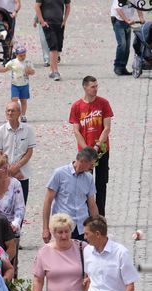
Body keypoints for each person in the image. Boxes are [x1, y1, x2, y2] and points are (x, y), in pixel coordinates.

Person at [32, 213, 86, 291]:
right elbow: (38, 281)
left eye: (67, 231)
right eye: (60, 232)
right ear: (53, 233)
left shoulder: (82, 248)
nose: (64, 236)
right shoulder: (44, 252)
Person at [69, 75, 113, 216]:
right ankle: (85, 213)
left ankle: (100, 215)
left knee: (101, 183)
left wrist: (97, 146)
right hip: (85, 154)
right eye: (92, 86)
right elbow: (76, 130)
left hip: (101, 151)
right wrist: (87, 149)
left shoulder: (103, 103)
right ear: (85, 87)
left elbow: (106, 128)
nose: (95, 89)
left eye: (96, 86)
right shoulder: (77, 106)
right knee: (84, 184)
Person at [42, 147, 99, 242]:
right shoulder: (59, 174)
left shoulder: (89, 178)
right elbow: (48, 201)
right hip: (63, 226)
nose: (92, 167)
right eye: (91, 164)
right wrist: (45, 229)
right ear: (83, 161)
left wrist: (97, 227)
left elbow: (92, 205)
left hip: (82, 226)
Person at [0, 101, 36, 204]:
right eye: (8, 111)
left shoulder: (28, 130)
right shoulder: (0, 131)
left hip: (23, 173)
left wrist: (17, 167)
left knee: (21, 204)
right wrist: (9, 169)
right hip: (4, 174)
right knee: (5, 205)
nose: (10, 113)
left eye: (13, 111)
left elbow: (29, 151)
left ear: (19, 113)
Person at [0, 46, 35, 122]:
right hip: (15, 85)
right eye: (21, 56)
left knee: (23, 100)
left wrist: (30, 71)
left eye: (24, 55)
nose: (23, 57)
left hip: (24, 84)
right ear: (16, 55)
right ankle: (15, 114)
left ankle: (23, 115)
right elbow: (5, 69)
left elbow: (33, 72)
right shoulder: (13, 62)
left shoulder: (28, 62)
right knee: (14, 100)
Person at [34, 0, 71, 81]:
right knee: (53, 46)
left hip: (60, 23)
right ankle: (55, 72)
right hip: (48, 24)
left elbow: (68, 6)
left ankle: (51, 71)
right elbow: (37, 6)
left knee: (58, 47)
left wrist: (64, 21)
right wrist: (42, 22)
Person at [110, 0, 144, 76]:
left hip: (127, 21)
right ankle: (118, 67)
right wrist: (126, 20)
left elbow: (139, 6)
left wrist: (141, 17)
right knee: (122, 44)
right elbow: (118, 9)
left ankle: (123, 68)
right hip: (118, 20)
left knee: (127, 47)